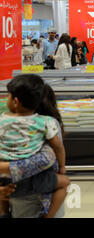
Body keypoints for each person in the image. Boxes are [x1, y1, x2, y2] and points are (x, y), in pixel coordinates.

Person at [0, 75, 70, 218]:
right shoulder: (46, 123)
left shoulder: (3, 120)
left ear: (15, 101)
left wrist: (5, 167)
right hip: (36, 185)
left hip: (9, 182)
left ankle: (3, 212)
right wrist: (62, 166)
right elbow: (54, 152)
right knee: (64, 183)